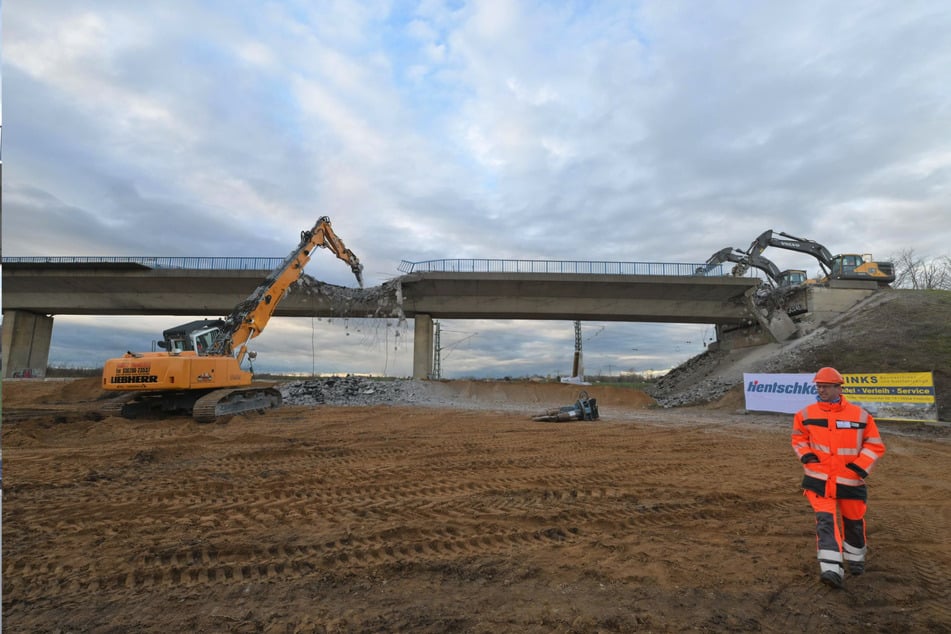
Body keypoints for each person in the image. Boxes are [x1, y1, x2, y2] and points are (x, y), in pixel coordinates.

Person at [790, 367, 886, 589]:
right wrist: (807, 456)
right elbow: (798, 439)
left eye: (825, 386)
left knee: (853, 522)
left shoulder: (860, 416)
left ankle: (855, 559)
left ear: (838, 387)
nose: (821, 390)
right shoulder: (805, 415)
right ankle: (831, 568)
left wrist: (860, 468)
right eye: (818, 386)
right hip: (818, 480)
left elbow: (874, 445)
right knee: (825, 521)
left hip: (850, 480)